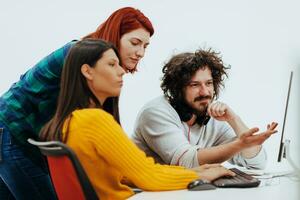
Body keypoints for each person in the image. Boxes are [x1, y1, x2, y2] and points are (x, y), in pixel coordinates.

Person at [39, 39, 235, 200]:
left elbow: (128, 174)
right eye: (111, 64)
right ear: (87, 71)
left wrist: (199, 173)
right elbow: (148, 177)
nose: (122, 70)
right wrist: (200, 176)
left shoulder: (67, 121)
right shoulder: (94, 121)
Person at [0, 7, 153, 200]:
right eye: (135, 43)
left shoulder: (102, 65)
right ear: (116, 35)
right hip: (12, 134)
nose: (140, 53)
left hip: (16, 135)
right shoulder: (81, 56)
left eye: (145, 47)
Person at [132, 48, 278, 169]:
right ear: (177, 89)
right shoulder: (155, 113)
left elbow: (257, 163)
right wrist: (239, 144)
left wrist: (234, 119)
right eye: (194, 85)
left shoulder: (213, 115)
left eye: (208, 83)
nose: (205, 92)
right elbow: (186, 162)